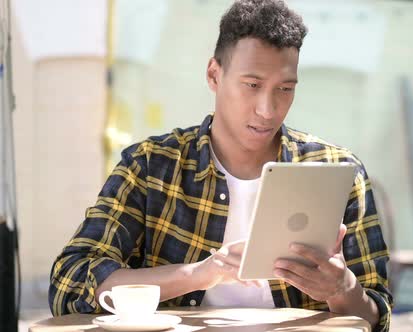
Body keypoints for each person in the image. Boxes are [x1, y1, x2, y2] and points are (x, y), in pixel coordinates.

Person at [49, 0, 393, 330]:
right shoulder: (150, 166)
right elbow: (71, 281)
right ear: (214, 75)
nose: (268, 109)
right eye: (252, 85)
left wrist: (341, 290)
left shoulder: (336, 169)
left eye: (285, 89)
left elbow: (377, 313)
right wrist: (199, 273)